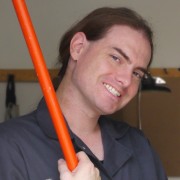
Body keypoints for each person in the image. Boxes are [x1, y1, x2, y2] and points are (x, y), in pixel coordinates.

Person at [0, 7, 167, 180]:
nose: (126, 80)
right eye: (116, 58)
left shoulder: (140, 147)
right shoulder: (8, 146)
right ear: (78, 47)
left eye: (137, 74)